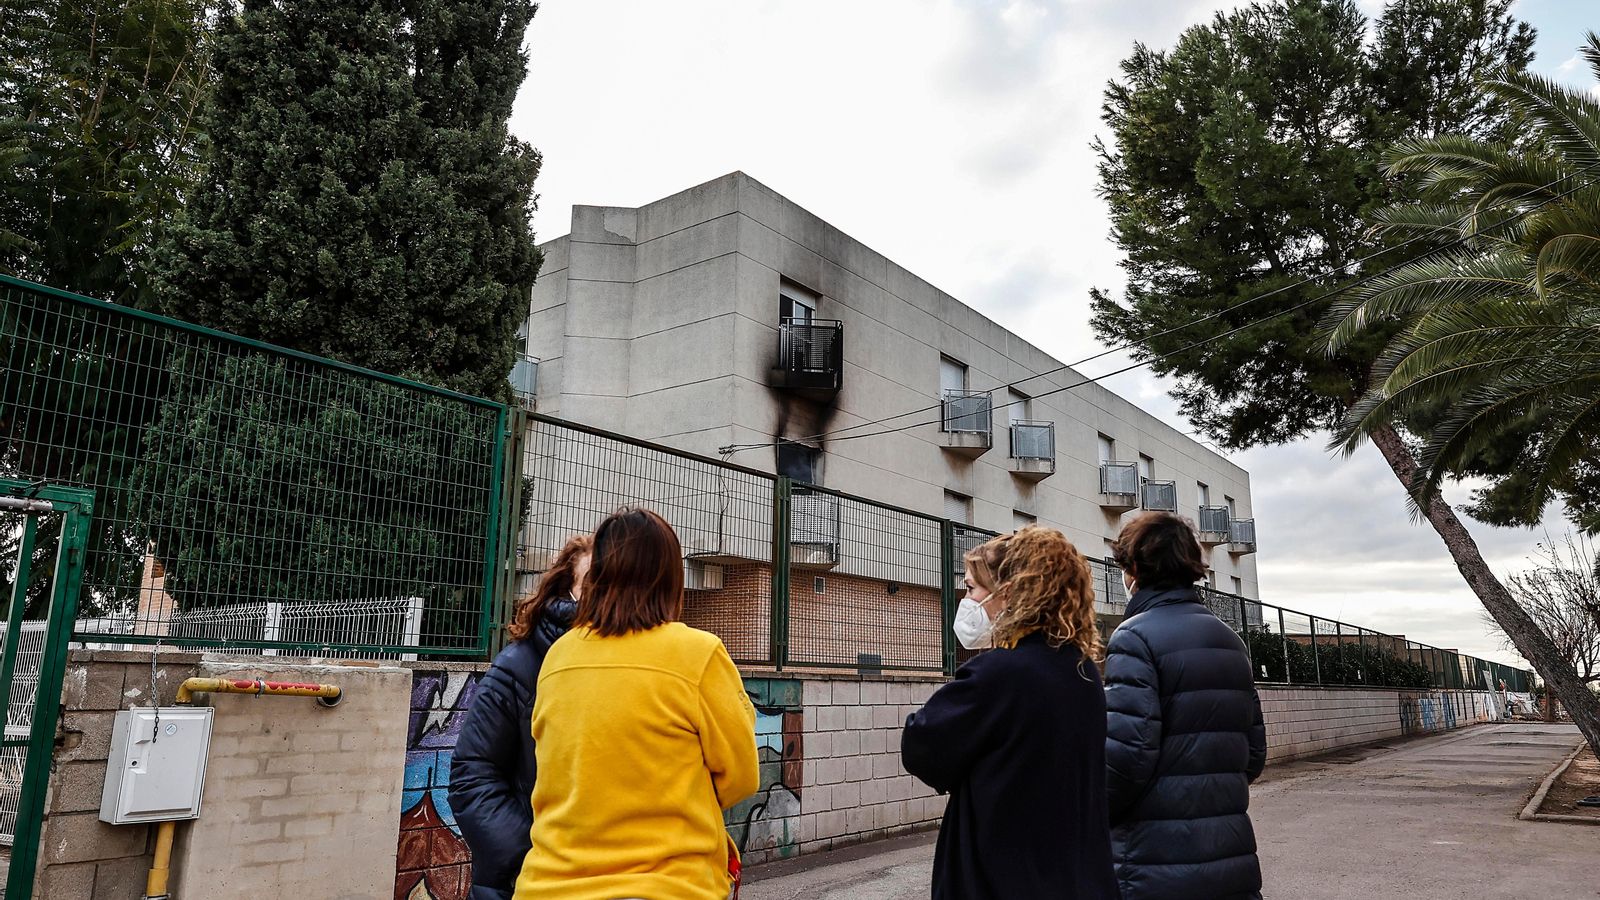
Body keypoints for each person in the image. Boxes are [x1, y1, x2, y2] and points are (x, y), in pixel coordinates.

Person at [514, 507, 759, 900]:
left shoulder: (558, 657)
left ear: (599, 575)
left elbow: (558, 764)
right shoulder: (698, 654)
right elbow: (741, 777)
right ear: (669, 578)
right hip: (669, 885)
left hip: (549, 885)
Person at [902, 526, 1120, 900]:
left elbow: (921, 743)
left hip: (1002, 876)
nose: (966, 600)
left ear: (1009, 592)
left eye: (972, 588)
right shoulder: (1081, 671)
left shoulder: (1000, 674)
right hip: (1076, 874)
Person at [1104, 511, 1267, 900]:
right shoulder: (1230, 641)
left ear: (1135, 570)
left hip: (1152, 860)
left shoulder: (1133, 637)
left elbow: (1125, 761)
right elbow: (1255, 754)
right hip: (1230, 853)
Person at [450, 534, 590, 900]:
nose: (600, 596)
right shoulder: (518, 666)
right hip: (527, 878)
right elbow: (473, 773)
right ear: (566, 589)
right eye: (591, 583)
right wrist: (529, 850)